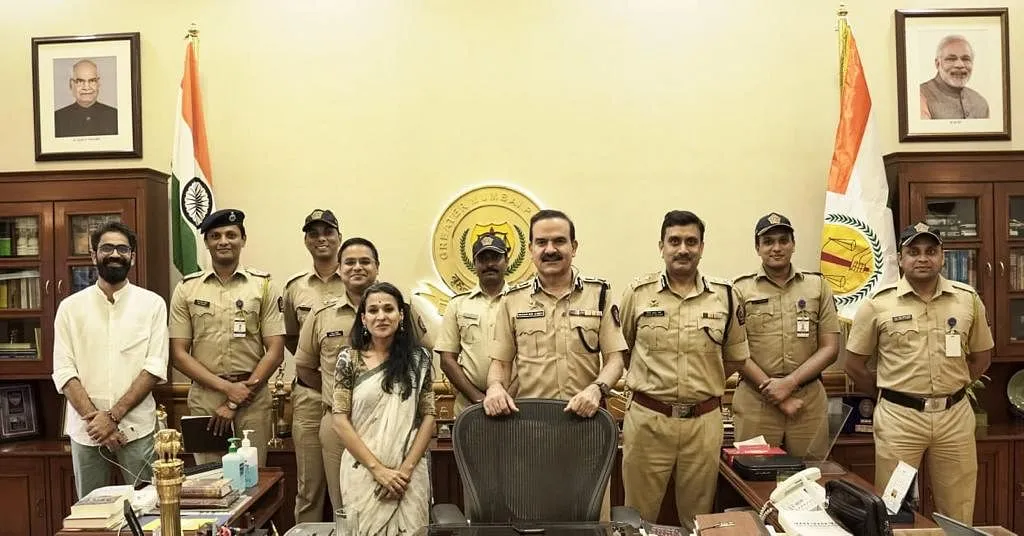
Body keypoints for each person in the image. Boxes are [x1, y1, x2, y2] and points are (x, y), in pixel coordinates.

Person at [846, 222, 993, 524]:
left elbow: (981, 358)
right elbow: (854, 365)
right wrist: (888, 396)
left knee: (958, 508)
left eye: (931, 251)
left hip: (954, 417)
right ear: (900, 259)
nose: (922, 258)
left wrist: (953, 389)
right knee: (892, 508)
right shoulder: (878, 304)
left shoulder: (967, 299)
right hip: (900, 420)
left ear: (942, 256)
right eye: (913, 252)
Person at [618, 210, 748, 526]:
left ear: (702, 247)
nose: (683, 249)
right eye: (674, 241)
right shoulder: (638, 294)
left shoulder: (726, 296)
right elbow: (623, 352)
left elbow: (734, 357)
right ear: (661, 246)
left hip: (703, 424)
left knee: (698, 518)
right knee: (637, 518)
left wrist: (701, 385)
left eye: (691, 241)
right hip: (648, 421)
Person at [294, 237, 433, 514]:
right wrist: (348, 398)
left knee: (407, 507)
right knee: (344, 506)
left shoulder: (403, 308)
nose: (358, 267)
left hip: (403, 430)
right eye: (350, 262)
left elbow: (422, 356)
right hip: (341, 424)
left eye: (365, 261)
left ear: (377, 267)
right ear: (340, 268)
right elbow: (304, 367)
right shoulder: (322, 314)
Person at [51, 222, 168, 498]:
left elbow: (153, 369)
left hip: (136, 430)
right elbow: (64, 371)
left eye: (122, 249)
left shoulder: (152, 304)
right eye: (106, 248)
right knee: (94, 517)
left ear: (132, 257)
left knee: (148, 511)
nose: (115, 254)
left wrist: (113, 417)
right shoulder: (70, 308)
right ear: (93, 255)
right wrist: (100, 424)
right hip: (87, 433)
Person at [483, 209, 627, 419]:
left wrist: (596, 389)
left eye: (559, 241)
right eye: (542, 242)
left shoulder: (599, 294)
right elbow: (501, 363)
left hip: (585, 418)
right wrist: (495, 387)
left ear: (573, 247)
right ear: (531, 249)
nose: (550, 250)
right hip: (531, 421)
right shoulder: (512, 300)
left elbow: (615, 359)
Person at [169, 209, 285, 466]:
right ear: (207, 242)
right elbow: (178, 354)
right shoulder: (187, 288)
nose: (224, 241)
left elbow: (275, 350)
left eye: (231, 235)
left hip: (252, 398)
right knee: (209, 480)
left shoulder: (263, 285)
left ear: (243, 239)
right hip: (205, 399)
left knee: (252, 480)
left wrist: (237, 397)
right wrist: (227, 390)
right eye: (215, 236)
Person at [731, 213, 840, 459]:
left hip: (807, 401)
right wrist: (777, 395)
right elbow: (735, 351)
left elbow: (830, 348)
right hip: (756, 401)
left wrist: (789, 384)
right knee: (756, 477)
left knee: (810, 478)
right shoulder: (739, 290)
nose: (776, 248)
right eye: (768, 241)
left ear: (793, 244)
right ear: (757, 247)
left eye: (783, 240)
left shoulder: (817, 286)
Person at [332, 282, 435, 536]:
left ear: (401, 315)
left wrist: (404, 472)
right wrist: (378, 471)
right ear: (363, 318)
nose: (381, 316)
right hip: (364, 471)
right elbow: (339, 420)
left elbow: (429, 417)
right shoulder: (349, 359)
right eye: (374, 310)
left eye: (389, 309)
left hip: (408, 474)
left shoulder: (419, 359)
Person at [283, 209, 344, 523]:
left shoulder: (356, 280)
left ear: (339, 237)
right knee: (310, 487)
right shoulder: (295, 288)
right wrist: (319, 375)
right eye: (313, 233)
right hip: (309, 396)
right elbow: (293, 340)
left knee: (348, 487)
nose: (321, 238)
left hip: (350, 400)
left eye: (327, 232)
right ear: (306, 241)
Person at [437, 232, 518, 413]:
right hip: (470, 407)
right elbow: (447, 360)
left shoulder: (522, 302)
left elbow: (531, 357)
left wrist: (506, 395)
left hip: (515, 405)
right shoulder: (457, 304)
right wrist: (478, 398)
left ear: (506, 260)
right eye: (482, 259)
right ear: (474, 263)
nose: (489, 264)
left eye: (495, 258)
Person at [920, 35, 990, 120]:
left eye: (966, 59)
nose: (960, 65)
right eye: (951, 59)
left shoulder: (980, 103)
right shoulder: (920, 96)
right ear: (937, 64)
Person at [54, 59, 118, 137]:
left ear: (98, 83)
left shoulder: (115, 116)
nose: (86, 87)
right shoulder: (57, 119)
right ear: (71, 84)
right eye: (80, 81)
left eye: (92, 81)